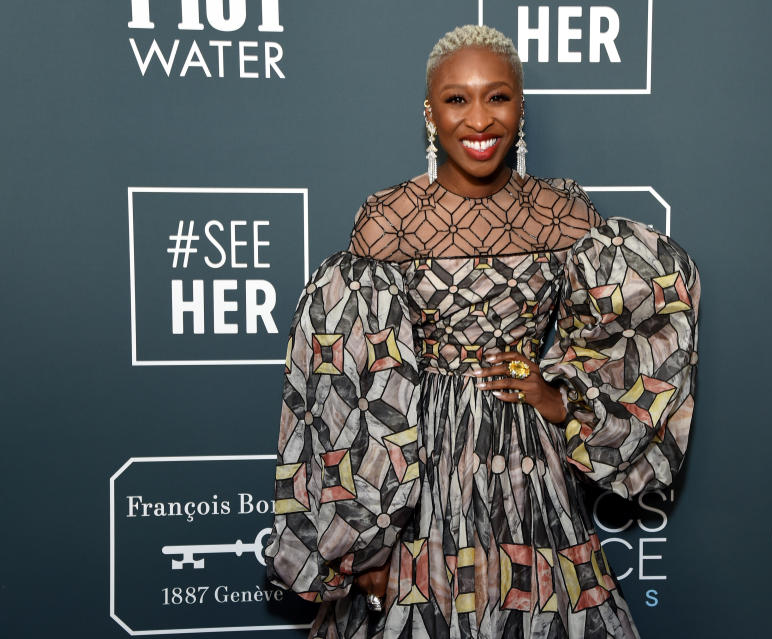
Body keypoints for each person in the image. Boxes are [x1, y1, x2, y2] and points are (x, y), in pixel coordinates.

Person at [265, 24, 700, 639]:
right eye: (456, 99)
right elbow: (343, 383)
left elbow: (639, 325)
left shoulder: (564, 212)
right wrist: (365, 545)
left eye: (497, 97)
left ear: (521, 107)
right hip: (418, 464)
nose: (479, 119)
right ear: (429, 113)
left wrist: (558, 396)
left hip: (528, 469)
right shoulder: (387, 219)